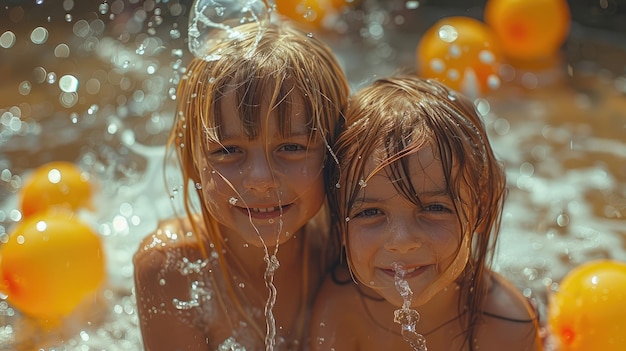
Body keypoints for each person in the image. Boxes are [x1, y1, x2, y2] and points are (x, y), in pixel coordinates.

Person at [133, 18, 349, 350]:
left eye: (291, 147)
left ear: (335, 153)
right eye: (228, 151)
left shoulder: (349, 246)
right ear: (191, 159)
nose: (260, 180)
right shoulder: (171, 269)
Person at [311, 76, 542, 351]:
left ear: (481, 206)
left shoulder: (506, 327)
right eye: (370, 212)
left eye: (434, 208)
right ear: (339, 219)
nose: (401, 240)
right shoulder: (340, 308)